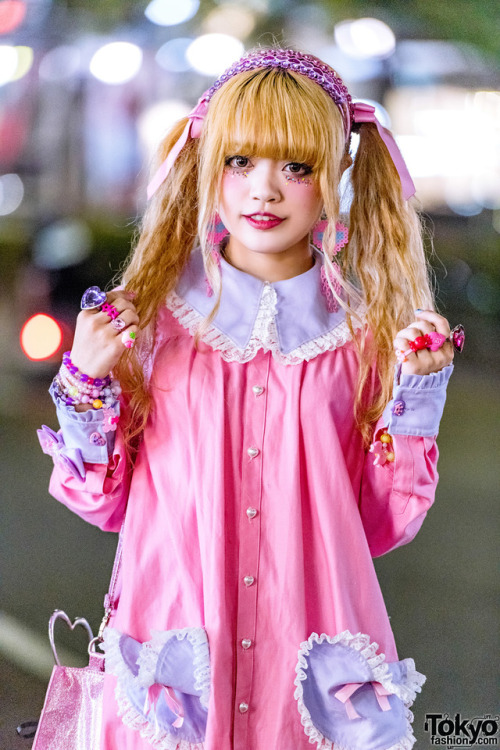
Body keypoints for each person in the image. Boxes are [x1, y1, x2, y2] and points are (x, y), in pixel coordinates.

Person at [38, 47, 462, 750]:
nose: (264, 190)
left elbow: (383, 526)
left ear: (334, 178)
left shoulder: (364, 339)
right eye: (240, 162)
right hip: (174, 669)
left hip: (306, 671)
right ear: (208, 166)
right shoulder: (151, 326)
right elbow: (99, 502)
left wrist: (419, 394)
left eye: (295, 167)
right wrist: (85, 380)